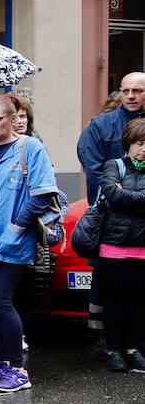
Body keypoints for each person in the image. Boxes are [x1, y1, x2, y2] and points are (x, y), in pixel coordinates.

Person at [0, 95, 56, 392]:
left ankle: (18, 368)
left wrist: (17, 228)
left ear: (12, 118)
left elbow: (42, 194)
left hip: (15, 240)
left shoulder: (30, 148)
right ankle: (5, 363)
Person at [78, 73, 145, 363]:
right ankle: (105, 341)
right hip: (112, 227)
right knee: (107, 289)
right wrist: (116, 196)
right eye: (126, 90)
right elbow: (96, 171)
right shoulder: (101, 125)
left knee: (138, 296)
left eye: (138, 91)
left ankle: (135, 345)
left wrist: (124, 193)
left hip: (141, 233)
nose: (130, 95)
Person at [97, 117, 145, 373]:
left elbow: (120, 196)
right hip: (114, 246)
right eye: (139, 143)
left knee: (139, 302)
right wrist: (136, 199)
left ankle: (133, 349)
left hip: (143, 247)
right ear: (128, 144)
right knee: (115, 301)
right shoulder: (114, 165)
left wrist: (126, 196)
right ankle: (113, 349)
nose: (143, 148)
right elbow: (112, 194)